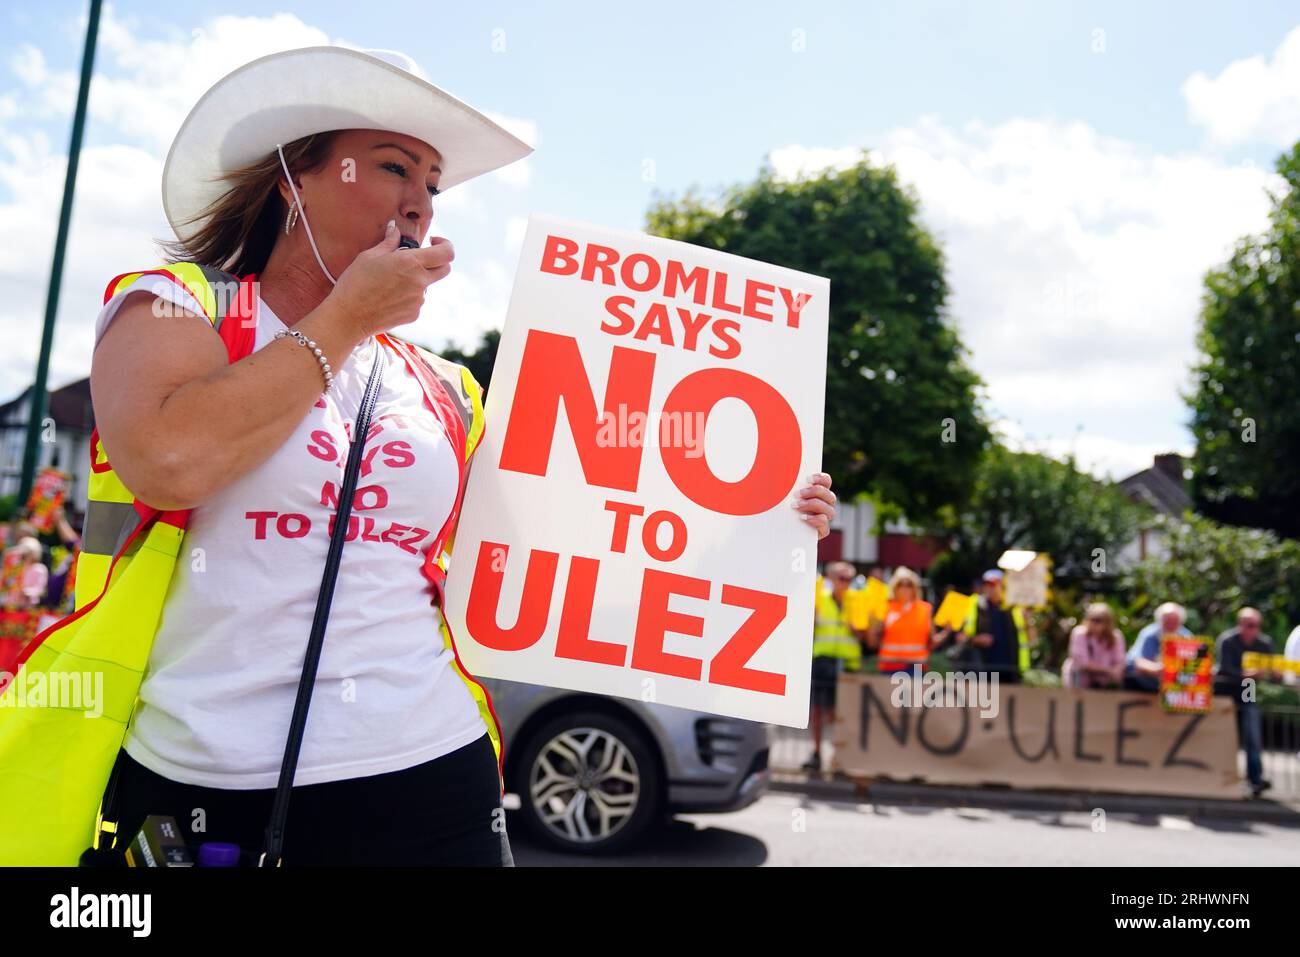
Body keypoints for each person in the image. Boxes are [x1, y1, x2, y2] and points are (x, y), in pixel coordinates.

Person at [67, 45, 841, 866]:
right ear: (296, 176)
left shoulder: (441, 387)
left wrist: (761, 517)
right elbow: (167, 459)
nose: (420, 204)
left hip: (435, 773)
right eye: (396, 167)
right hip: (205, 784)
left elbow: (586, 523)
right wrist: (342, 321)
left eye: (432, 185)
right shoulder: (178, 304)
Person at [1215, 608, 1277, 797]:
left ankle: (1255, 779)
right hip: (1225, 693)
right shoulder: (1228, 641)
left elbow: (1272, 669)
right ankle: (1219, 776)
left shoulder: (1264, 643)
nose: (1254, 629)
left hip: (1247, 691)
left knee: (1252, 736)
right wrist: (1247, 674)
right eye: (1250, 625)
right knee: (1222, 738)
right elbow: (1225, 669)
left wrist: (1275, 672)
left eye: (1257, 625)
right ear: (1240, 624)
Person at [807, 561, 861, 772]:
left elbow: (868, 637)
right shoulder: (819, 599)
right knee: (819, 711)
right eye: (841, 578)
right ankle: (817, 753)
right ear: (830, 579)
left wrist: (858, 629)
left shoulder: (857, 601)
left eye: (849, 579)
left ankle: (839, 757)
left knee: (841, 713)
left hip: (848, 663)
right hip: (823, 660)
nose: (845, 584)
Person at [961, 569, 1032, 684]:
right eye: (987, 584)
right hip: (984, 669)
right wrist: (977, 639)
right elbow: (961, 637)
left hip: (1010, 670)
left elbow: (1030, 638)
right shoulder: (975, 605)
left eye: (994, 584)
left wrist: (1028, 622)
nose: (990, 588)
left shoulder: (1014, 608)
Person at [869, 566, 934, 675]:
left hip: (916, 667)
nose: (904, 588)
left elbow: (931, 641)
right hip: (889, 666)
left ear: (915, 588)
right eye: (900, 584)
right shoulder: (885, 607)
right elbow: (874, 641)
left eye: (909, 585)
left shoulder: (925, 609)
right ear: (894, 587)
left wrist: (947, 631)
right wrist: (872, 626)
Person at [1124, 602, 1190, 692]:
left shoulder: (1187, 637)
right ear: (1159, 620)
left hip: (1175, 691)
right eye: (1167, 620)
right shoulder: (1148, 634)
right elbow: (1136, 662)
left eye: (1174, 621)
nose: (1170, 624)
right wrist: (1158, 669)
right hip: (1143, 688)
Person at [1062, 603, 1126, 689]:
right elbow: (1083, 663)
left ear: (1107, 622)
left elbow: (1120, 661)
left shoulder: (1116, 637)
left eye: (1098, 620)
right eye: (1091, 619)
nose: (1093, 623)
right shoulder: (1080, 634)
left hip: (1105, 684)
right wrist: (1108, 671)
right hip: (1080, 681)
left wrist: (1116, 671)